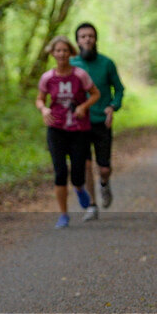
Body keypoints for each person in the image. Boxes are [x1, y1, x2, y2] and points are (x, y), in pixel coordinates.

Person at [37, 36, 100, 229]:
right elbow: (40, 99)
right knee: (60, 171)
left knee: (78, 172)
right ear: (53, 53)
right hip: (56, 129)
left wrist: (83, 106)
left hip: (79, 129)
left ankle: (80, 187)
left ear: (71, 52)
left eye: (65, 50)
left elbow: (96, 94)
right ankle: (63, 214)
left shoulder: (80, 75)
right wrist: (44, 109)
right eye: (58, 50)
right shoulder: (47, 77)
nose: (62, 54)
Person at [70, 22, 124, 222]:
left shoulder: (106, 63)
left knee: (104, 168)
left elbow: (119, 89)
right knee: (85, 165)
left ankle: (104, 183)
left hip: (102, 121)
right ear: (77, 40)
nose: (87, 39)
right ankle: (92, 205)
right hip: (80, 123)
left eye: (90, 36)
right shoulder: (72, 64)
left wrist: (113, 106)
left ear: (95, 39)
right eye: (83, 36)